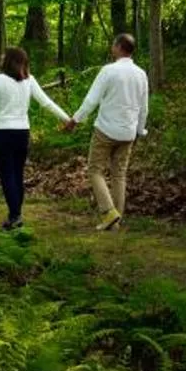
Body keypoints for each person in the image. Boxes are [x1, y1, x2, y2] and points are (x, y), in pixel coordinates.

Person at [0, 45, 73, 232]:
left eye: (3, 56)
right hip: (22, 133)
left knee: (7, 175)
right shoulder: (29, 80)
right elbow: (47, 103)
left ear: (8, 61)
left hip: (3, 133)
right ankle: (15, 215)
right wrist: (67, 119)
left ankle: (15, 216)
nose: (1, 58)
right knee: (18, 174)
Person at [70, 32, 150, 232]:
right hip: (128, 132)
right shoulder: (141, 74)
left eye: (114, 45)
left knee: (94, 170)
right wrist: (139, 130)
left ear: (119, 47)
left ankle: (108, 212)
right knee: (119, 175)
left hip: (105, 130)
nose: (112, 48)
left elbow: (92, 99)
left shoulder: (108, 71)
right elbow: (144, 107)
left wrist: (76, 119)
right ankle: (116, 222)